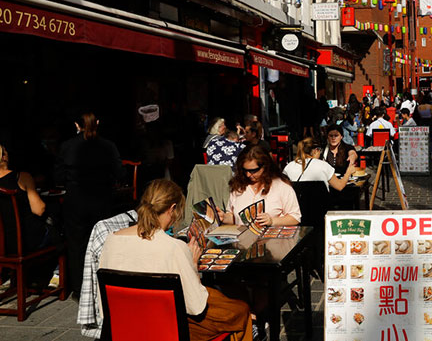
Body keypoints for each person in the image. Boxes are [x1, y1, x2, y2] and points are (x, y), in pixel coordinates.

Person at [98, 179, 252, 341]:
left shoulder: (111, 241)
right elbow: (196, 306)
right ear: (172, 209)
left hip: (125, 327)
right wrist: (192, 265)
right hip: (167, 330)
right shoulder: (174, 247)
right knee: (240, 312)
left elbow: (103, 306)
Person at [56, 112, 123, 296]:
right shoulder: (108, 146)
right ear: (98, 123)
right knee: (102, 241)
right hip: (101, 199)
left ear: (77, 125)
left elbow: (58, 176)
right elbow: (119, 172)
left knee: (76, 243)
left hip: (75, 201)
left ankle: (79, 287)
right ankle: (102, 282)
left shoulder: (67, 146)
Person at [0, 145, 59, 286]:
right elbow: (39, 209)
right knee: (56, 229)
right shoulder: (21, 177)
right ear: (4, 157)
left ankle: (9, 275)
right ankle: (57, 273)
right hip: (24, 242)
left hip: (2, 245)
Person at [219, 145, 300, 227]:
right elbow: (234, 217)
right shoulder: (239, 186)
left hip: (272, 238)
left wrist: (272, 221)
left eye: (253, 171)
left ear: (265, 167)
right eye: (245, 170)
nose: (248, 175)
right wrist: (224, 217)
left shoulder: (281, 187)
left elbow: (295, 218)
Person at [283, 137, 356, 191]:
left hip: (297, 207)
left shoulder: (289, 167)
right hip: (320, 208)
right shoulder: (323, 166)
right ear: (315, 150)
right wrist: (348, 172)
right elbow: (339, 186)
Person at [416, 93, 432, 159]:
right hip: (430, 122)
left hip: (422, 122)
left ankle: (423, 152)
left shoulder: (419, 107)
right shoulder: (430, 106)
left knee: (423, 138)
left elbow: (420, 116)